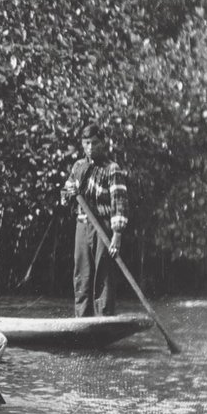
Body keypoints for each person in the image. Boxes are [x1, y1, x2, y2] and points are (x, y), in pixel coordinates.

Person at [61, 122, 129, 317]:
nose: (90, 148)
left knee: (103, 274)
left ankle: (104, 318)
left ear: (102, 143)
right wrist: (70, 193)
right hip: (82, 225)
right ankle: (82, 319)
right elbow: (65, 197)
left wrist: (117, 235)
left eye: (94, 143)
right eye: (86, 143)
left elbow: (120, 203)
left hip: (104, 227)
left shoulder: (112, 169)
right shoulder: (78, 166)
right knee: (82, 274)